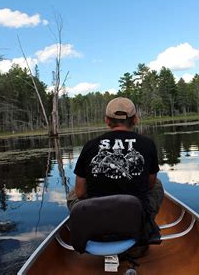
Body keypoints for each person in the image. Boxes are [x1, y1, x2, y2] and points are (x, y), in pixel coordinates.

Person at [67, 97, 164, 245]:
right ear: (136, 120)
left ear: (107, 120)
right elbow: (149, 185)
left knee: (74, 192)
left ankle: (87, 227)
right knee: (157, 184)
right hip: (134, 221)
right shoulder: (147, 144)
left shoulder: (90, 146)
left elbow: (80, 193)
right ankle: (147, 224)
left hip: (97, 225)